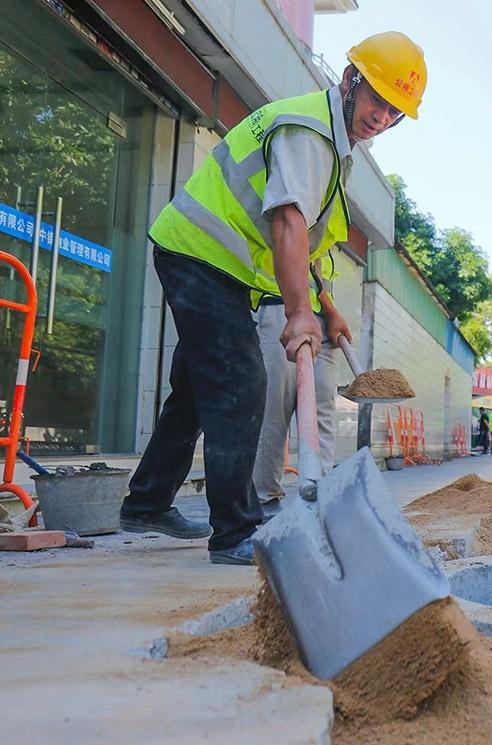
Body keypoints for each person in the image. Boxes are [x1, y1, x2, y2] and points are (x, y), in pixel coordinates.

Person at [118, 32, 428, 565]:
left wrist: (324, 307)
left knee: (196, 390)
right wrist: (299, 314)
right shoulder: (310, 132)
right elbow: (286, 221)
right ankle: (235, 531)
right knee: (240, 383)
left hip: (217, 265)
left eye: (395, 112)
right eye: (378, 99)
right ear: (350, 79)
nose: (382, 117)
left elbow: (303, 240)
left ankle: (146, 503)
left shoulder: (333, 144)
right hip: (200, 253)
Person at [253, 258, 347, 519]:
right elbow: (290, 249)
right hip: (278, 305)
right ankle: (265, 500)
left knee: (321, 411)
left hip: (317, 316)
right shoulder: (291, 216)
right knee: (274, 408)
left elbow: (313, 265)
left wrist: (329, 309)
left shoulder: (328, 222)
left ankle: (319, 496)